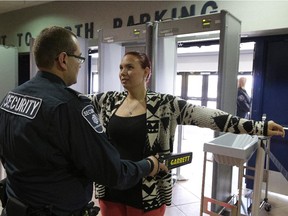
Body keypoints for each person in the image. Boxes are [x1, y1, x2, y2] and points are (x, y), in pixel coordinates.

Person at [90, 51, 285, 216]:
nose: (123, 73)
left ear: (146, 72)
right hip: (111, 188)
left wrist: (257, 127)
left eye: (130, 67)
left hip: (148, 193)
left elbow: (211, 117)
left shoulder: (165, 105)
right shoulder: (108, 101)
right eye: (121, 67)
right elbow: (74, 103)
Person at [0, 27, 168, 216]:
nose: (80, 64)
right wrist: (148, 165)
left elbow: (6, 157)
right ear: (63, 60)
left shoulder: (10, 98)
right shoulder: (70, 106)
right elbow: (111, 171)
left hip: (14, 207)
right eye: (79, 58)